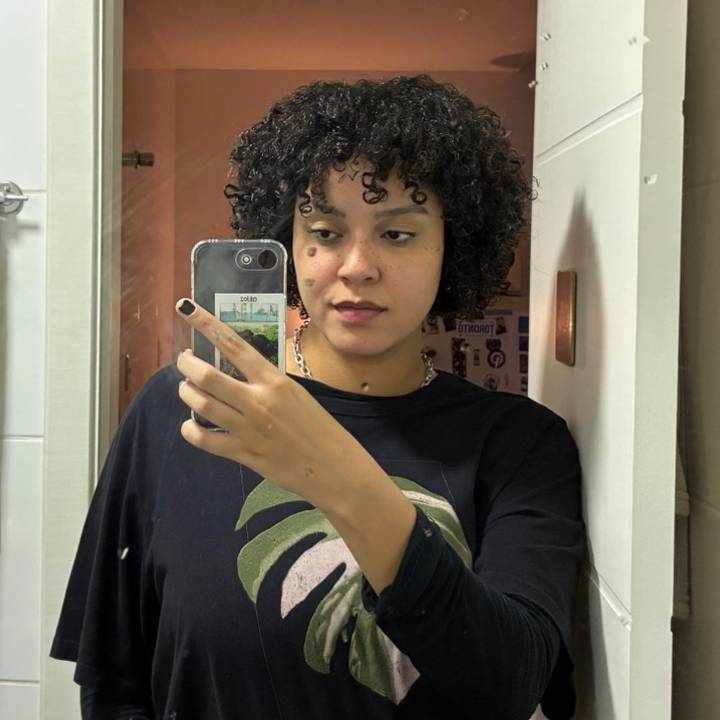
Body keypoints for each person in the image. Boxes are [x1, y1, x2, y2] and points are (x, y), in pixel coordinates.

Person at [50, 75, 585, 720]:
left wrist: (331, 471)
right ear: (289, 244)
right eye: (327, 232)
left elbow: (510, 684)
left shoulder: (520, 443)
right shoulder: (185, 408)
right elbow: (113, 680)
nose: (357, 266)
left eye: (397, 234)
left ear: (454, 247)